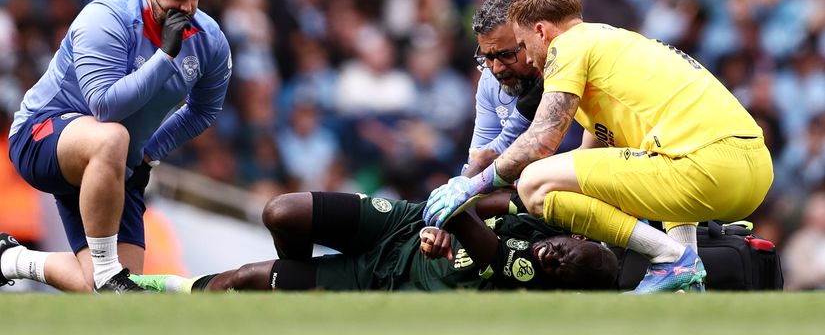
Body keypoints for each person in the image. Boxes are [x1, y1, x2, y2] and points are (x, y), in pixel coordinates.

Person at [424, 0, 773, 293]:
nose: (528, 57)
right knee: (650, 173)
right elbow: (590, 165)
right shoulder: (613, 47)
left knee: (534, 183)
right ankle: (687, 284)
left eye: (522, 44)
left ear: (542, 31)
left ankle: (671, 258)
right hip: (751, 171)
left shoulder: (570, 46)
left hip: (706, 164)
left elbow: (542, 141)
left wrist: (473, 185)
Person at [1, 0, 232, 293]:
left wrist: (150, 152)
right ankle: (108, 272)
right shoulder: (105, 19)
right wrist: (165, 56)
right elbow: (105, 107)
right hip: (41, 136)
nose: (187, 8)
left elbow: (204, 110)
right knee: (113, 137)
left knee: (122, 298)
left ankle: (12, 260)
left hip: (116, 161)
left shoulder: (210, 40)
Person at [128, 191, 618, 292]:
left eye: (557, 269)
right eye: (565, 254)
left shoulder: (528, 275)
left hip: (391, 275)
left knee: (245, 279)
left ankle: (174, 295)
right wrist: (438, 223)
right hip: (402, 226)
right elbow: (486, 203)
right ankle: (293, 298)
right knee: (282, 212)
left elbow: (464, 210)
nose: (551, 259)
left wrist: (448, 221)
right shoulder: (551, 219)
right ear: (577, 237)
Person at [465, 0, 582, 177]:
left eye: (506, 54)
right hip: (521, 188)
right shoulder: (488, 80)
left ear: (528, 39)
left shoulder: (565, 68)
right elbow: (476, 161)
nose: (496, 68)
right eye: (488, 57)